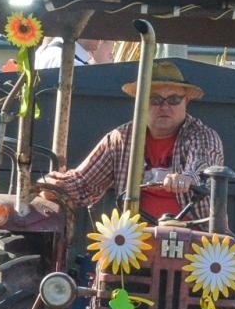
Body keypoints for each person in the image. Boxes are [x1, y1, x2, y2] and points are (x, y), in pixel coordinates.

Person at [37, 59, 223, 222]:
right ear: (140, 102)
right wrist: (52, 187)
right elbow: (84, 184)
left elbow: (201, 169)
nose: (165, 107)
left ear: (186, 102)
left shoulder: (202, 135)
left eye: (174, 100)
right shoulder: (121, 138)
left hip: (196, 241)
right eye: (154, 99)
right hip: (131, 240)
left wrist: (187, 178)